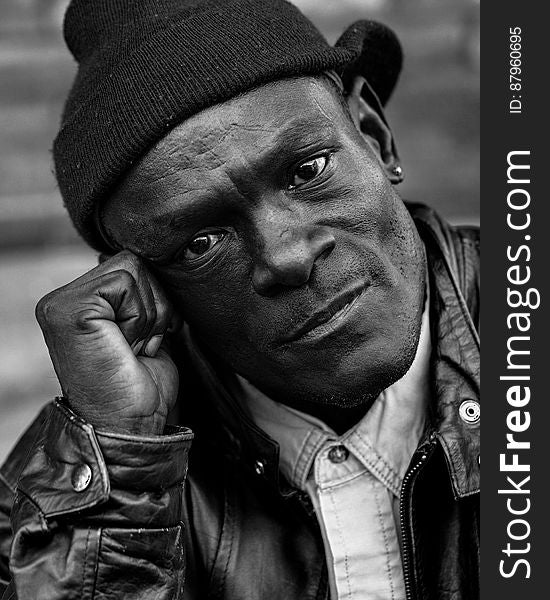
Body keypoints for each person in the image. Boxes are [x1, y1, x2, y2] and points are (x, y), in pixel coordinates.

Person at [0, 0, 480, 598]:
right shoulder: (58, 506)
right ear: (145, 289)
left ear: (374, 137)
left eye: (308, 171)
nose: (286, 256)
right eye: (201, 241)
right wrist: (123, 479)